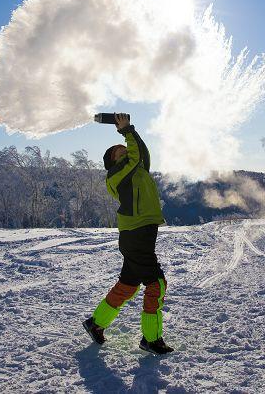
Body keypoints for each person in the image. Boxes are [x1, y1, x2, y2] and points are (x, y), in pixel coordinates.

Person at [82, 113, 174, 355]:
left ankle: (96, 323)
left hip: (138, 234)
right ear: (112, 161)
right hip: (137, 235)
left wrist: (130, 131)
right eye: (119, 151)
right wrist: (125, 131)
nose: (125, 151)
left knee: (128, 285)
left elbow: (141, 154)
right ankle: (151, 339)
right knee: (157, 284)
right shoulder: (116, 175)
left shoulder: (135, 170)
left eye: (125, 149)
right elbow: (134, 156)